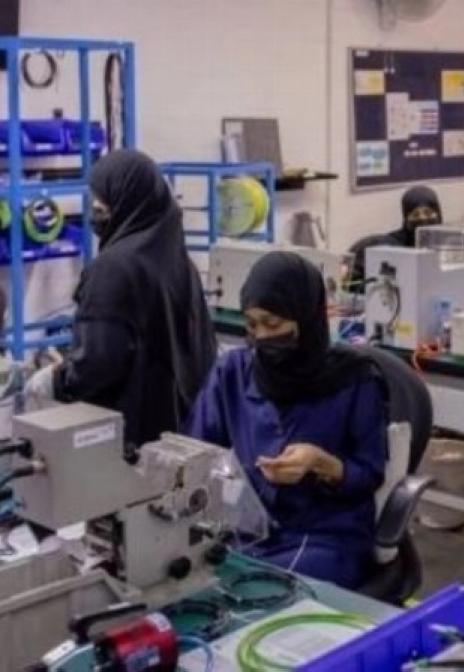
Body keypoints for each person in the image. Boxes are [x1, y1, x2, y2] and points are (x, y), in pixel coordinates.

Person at [185, 252, 387, 588]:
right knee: (199, 583)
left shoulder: (353, 380)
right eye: (252, 325)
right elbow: (195, 449)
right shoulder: (232, 372)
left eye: (273, 323)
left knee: (267, 589)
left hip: (325, 534)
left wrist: (322, 463)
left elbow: (370, 472)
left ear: (304, 317)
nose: (262, 336)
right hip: (247, 528)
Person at [24, 149, 216, 446]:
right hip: (180, 430)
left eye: (103, 200)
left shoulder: (113, 269)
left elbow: (97, 364)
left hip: (124, 438)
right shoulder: (177, 261)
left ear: (127, 200)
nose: (96, 208)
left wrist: (56, 381)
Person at [348, 185, 442, 288]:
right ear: (406, 218)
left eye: (428, 213)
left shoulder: (446, 243)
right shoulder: (392, 245)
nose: (423, 218)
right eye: (415, 215)